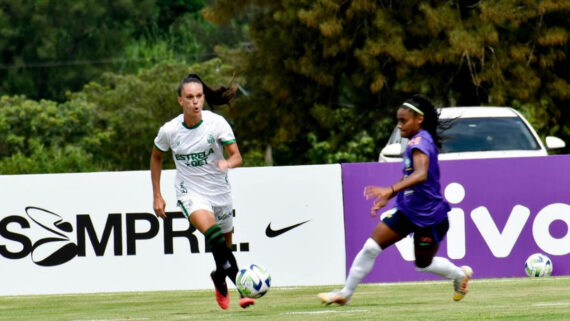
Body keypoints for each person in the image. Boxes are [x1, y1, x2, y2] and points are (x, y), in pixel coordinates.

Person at [318, 94, 473, 305]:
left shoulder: (420, 142)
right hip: (407, 211)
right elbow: (410, 175)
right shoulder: (413, 142)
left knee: (423, 264)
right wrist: (389, 195)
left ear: (419, 119)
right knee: (371, 248)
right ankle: (344, 294)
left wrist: (390, 188)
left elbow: (420, 174)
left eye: (403, 121)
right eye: (398, 120)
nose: (399, 126)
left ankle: (458, 275)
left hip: (430, 217)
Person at [150, 73, 254, 309]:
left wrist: (228, 163)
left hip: (220, 192)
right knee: (214, 235)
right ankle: (243, 289)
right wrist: (157, 194)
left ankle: (219, 276)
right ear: (180, 101)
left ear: (203, 98)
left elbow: (237, 156)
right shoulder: (169, 130)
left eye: (199, 96)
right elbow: (156, 157)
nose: (195, 102)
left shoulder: (216, 123)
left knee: (224, 246)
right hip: (190, 193)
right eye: (189, 97)